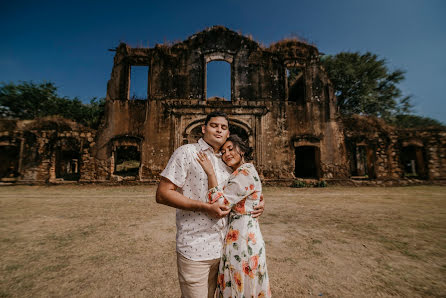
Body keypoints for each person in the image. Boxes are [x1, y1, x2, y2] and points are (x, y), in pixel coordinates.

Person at [156, 111, 264, 298]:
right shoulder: (187, 153)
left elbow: (241, 191)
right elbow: (163, 194)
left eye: (223, 127)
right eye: (214, 125)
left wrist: (257, 203)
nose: (219, 130)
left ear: (228, 133)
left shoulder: (227, 161)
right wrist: (204, 206)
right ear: (204, 128)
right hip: (195, 247)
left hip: (226, 248)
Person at [196, 135, 271, 297]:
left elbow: (220, 203)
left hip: (243, 237)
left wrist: (210, 173)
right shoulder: (241, 172)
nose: (226, 154)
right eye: (223, 151)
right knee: (239, 279)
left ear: (242, 150)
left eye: (231, 149)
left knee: (238, 278)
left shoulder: (244, 172)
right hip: (241, 232)